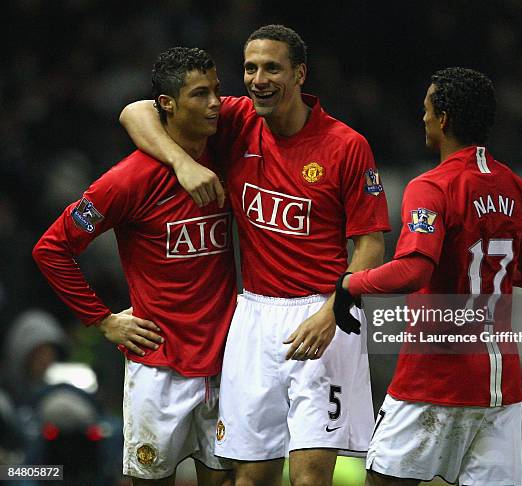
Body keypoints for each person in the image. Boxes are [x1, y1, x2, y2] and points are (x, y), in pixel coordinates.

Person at [119, 25, 390, 486]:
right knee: (248, 479)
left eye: (272, 68)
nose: (258, 78)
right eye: (250, 67)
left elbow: (370, 245)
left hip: (324, 313)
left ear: (300, 73)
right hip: (254, 315)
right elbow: (135, 112)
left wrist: (335, 311)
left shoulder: (346, 145)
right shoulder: (237, 120)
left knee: (309, 478)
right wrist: (182, 163)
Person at [334, 67, 522, 485]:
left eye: (426, 110)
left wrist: (349, 283)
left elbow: (413, 271)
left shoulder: (432, 186)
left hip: (436, 377)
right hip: (500, 387)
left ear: (445, 119)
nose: (423, 118)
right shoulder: (517, 187)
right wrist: (493, 272)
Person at [33, 47, 236, 486]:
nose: (216, 103)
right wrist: (103, 320)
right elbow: (51, 249)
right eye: (200, 94)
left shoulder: (228, 151)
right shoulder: (127, 180)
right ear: (168, 104)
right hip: (159, 364)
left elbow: (136, 111)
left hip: (228, 362)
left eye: (217, 91)